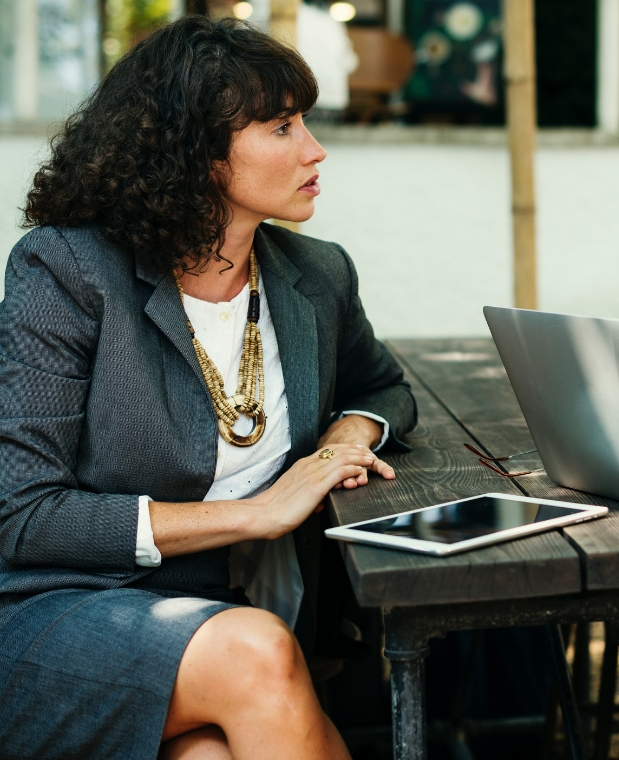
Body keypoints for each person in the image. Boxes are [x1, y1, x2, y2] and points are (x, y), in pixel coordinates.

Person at [0, 17, 416, 760]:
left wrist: (340, 444)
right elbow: (24, 515)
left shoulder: (315, 275)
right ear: (196, 151)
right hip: (58, 607)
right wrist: (252, 514)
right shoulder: (65, 271)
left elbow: (382, 388)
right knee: (256, 654)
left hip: (224, 619)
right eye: (282, 127)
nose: (315, 150)